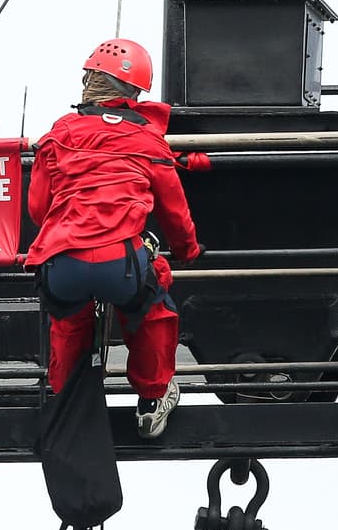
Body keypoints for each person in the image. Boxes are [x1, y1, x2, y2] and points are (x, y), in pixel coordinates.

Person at [25, 38, 204, 438]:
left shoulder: (61, 131)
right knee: (153, 303)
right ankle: (153, 399)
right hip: (118, 264)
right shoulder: (149, 140)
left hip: (62, 261)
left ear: (89, 81)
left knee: (68, 321)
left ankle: (65, 399)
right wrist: (188, 250)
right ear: (136, 94)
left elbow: (38, 209)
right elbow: (175, 214)